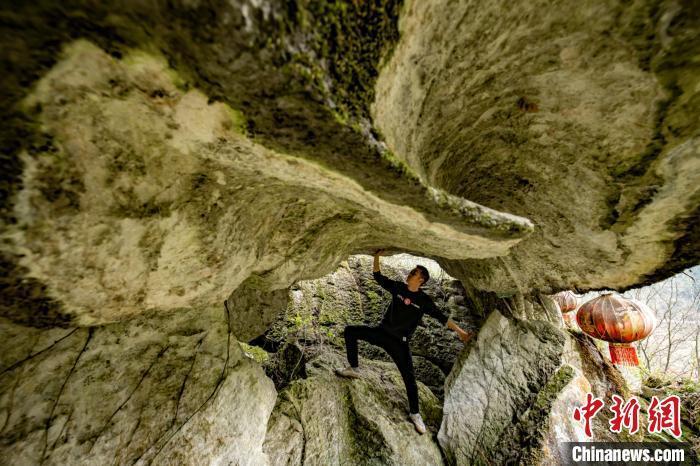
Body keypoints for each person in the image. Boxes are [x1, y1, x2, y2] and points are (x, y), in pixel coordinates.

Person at [335, 249, 474, 434]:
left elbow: (442, 318)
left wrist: (462, 333)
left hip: (400, 344)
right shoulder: (399, 288)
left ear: (421, 280)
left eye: (414, 273)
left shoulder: (424, 301)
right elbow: (378, 277)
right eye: (411, 272)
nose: (410, 274)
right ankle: (354, 368)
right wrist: (376, 256)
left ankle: (415, 414)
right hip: (382, 333)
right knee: (350, 331)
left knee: (410, 379)